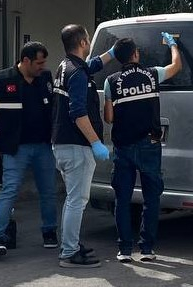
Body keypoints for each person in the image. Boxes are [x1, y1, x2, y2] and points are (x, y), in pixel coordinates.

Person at [0, 42, 58, 259]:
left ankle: (49, 232)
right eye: (39, 63)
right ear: (26, 60)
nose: (43, 67)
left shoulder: (45, 78)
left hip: (44, 146)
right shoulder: (4, 79)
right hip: (16, 148)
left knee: (48, 191)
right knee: (9, 189)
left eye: (44, 62)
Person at [103, 33, 181, 263]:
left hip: (123, 146)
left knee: (123, 199)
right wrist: (173, 44)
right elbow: (176, 66)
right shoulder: (152, 74)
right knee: (151, 198)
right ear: (136, 54)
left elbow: (109, 117)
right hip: (150, 144)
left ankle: (124, 250)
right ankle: (147, 249)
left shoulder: (111, 81)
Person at [52, 24, 115, 268]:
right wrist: (96, 142)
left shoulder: (65, 66)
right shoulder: (77, 73)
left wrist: (112, 53)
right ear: (82, 43)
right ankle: (69, 253)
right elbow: (78, 113)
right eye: (88, 39)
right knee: (77, 200)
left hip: (63, 144)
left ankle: (71, 244)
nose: (89, 42)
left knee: (73, 199)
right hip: (76, 145)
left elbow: (93, 65)